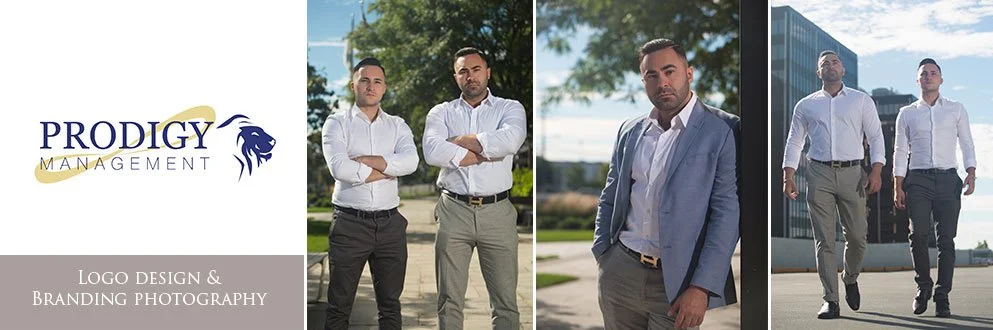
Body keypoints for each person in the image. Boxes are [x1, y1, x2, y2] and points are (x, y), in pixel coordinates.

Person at [592, 38, 740, 329]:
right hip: (620, 272)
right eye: (652, 75)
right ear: (643, 81)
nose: (662, 82)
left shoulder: (723, 129)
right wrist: (603, 252)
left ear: (689, 72)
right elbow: (610, 194)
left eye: (669, 71)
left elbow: (726, 214)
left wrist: (702, 288)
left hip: (678, 284)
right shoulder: (630, 130)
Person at [422, 47, 527, 330]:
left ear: (488, 72)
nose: (471, 76)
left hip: (498, 213)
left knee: (505, 301)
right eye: (463, 71)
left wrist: (456, 142)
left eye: (476, 69)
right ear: (456, 77)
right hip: (453, 210)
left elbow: (510, 142)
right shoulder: (440, 112)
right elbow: (432, 151)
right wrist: (482, 150)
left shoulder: (510, 108)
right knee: (449, 300)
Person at [782, 50, 885, 319]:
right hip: (819, 174)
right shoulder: (805, 105)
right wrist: (788, 175)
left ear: (843, 70)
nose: (830, 66)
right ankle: (830, 300)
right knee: (824, 241)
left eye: (834, 62)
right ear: (818, 73)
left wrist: (876, 170)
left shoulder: (861, 101)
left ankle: (849, 278)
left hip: (854, 174)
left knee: (858, 238)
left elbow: (875, 136)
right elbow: (795, 141)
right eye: (824, 64)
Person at [321, 57, 419, 330]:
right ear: (353, 85)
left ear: (385, 88)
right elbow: (340, 168)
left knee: (390, 306)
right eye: (364, 80)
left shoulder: (398, 125)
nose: (370, 86)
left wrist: (366, 161)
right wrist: (389, 167)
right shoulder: (336, 123)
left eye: (377, 81)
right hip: (350, 225)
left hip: (390, 225)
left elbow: (411, 162)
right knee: (339, 306)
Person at [893, 58, 976, 318]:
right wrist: (898, 183)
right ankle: (923, 287)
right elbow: (899, 150)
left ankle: (942, 296)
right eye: (924, 74)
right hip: (917, 180)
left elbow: (967, 143)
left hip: (948, 179)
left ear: (941, 79)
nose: (928, 76)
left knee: (946, 240)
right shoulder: (907, 113)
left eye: (933, 73)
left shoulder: (955, 109)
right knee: (917, 234)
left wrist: (971, 172)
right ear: (917, 81)